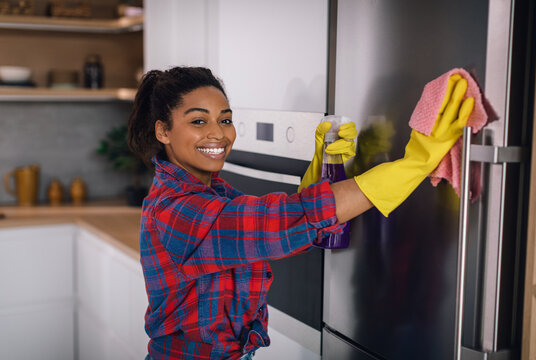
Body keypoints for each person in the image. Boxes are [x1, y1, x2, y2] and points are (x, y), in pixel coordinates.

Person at [127, 67, 473, 360]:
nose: (218, 133)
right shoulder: (176, 211)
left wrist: (324, 168)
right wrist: (413, 164)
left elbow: (297, 228)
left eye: (225, 119)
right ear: (163, 131)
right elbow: (277, 224)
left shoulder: (213, 193)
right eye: (198, 121)